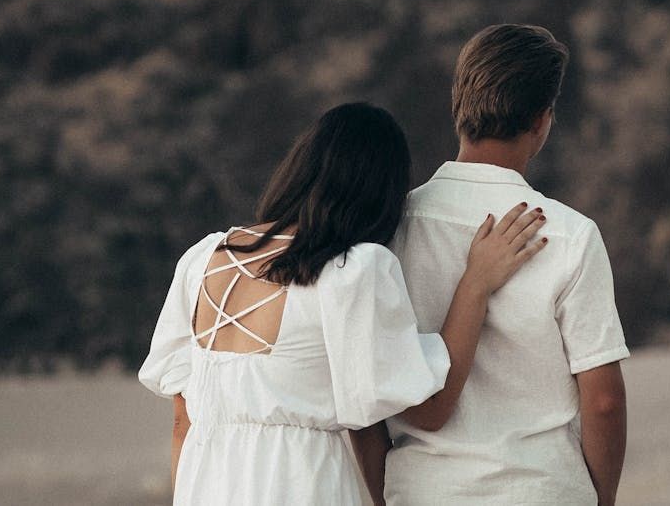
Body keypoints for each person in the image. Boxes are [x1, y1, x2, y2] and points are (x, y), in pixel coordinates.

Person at [138, 102, 549, 505]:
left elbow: (182, 420)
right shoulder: (352, 271)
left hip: (207, 489)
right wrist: (475, 284)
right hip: (306, 488)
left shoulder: (201, 259)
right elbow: (428, 409)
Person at [353, 25, 629, 505]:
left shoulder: (391, 228)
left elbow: (363, 401)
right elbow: (603, 402)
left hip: (422, 491)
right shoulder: (568, 234)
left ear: (459, 106)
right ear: (542, 120)